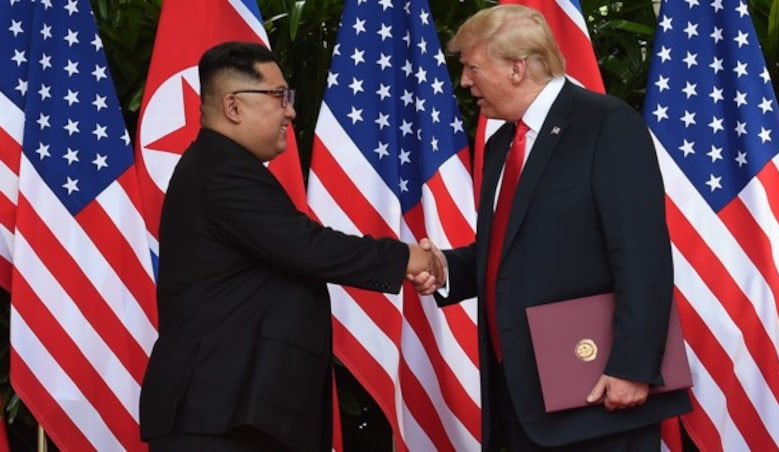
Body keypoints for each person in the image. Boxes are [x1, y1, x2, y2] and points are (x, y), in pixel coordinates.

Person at [411, 5, 691, 451]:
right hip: (520, 397)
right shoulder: (504, 140)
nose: (465, 82)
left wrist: (633, 367)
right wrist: (447, 268)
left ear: (517, 68)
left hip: (597, 393)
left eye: (472, 67)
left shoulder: (605, 123)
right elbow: (513, 247)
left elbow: (642, 253)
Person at [139, 41, 442, 452]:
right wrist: (407, 257)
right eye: (279, 96)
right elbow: (306, 247)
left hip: (231, 413)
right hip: (215, 416)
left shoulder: (220, 166)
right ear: (233, 107)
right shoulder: (222, 171)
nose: (290, 111)